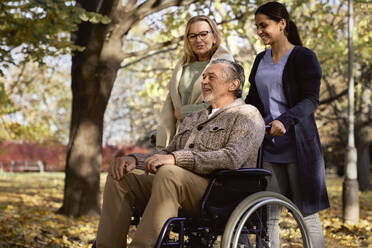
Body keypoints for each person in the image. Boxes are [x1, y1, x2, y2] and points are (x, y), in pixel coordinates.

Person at [94, 59, 265, 248]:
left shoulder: (247, 114)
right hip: (175, 185)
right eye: (204, 77)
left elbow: (232, 157)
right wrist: (134, 160)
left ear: (234, 84)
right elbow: (168, 153)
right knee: (122, 175)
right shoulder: (194, 117)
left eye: (211, 77)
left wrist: (176, 159)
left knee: (169, 172)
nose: (204, 82)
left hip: (218, 191)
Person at [244, 2, 330, 247]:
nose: (260, 31)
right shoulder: (260, 59)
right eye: (257, 26)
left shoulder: (303, 57)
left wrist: (285, 120)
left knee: (306, 215)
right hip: (268, 147)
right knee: (267, 216)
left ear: (282, 24)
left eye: (264, 25)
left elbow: (310, 99)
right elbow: (253, 101)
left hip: (298, 147)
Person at [156, 15, 234, 149]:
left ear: (214, 37)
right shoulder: (182, 67)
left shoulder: (225, 65)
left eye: (203, 34)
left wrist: (185, 112)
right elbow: (171, 103)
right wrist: (161, 134)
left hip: (209, 136)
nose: (198, 40)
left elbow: (226, 103)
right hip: (181, 135)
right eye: (192, 36)